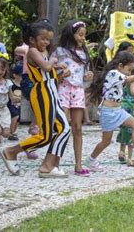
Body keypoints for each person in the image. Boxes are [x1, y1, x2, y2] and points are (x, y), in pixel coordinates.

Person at [0, 20, 71, 178]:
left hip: (52, 94)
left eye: (49, 39)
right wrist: (54, 62)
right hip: (42, 94)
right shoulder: (32, 51)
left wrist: (61, 73)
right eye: (43, 39)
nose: (46, 42)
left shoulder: (43, 53)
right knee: (44, 136)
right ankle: (11, 152)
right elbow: (46, 68)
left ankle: (48, 166)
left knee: (65, 129)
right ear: (32, 39)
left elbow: (50, 76)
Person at [85, 51, 134, 172]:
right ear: (120, 66)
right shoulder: (114, 73)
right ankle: (91, 159)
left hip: (118, 110)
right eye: (129, 69)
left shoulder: (117, 74)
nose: (130, 72)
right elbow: (128, 79)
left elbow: (127, 79)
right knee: (106, 141)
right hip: (108, 112)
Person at [52, 20, 94, 177]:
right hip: (63, 88)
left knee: (78, 127)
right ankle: (54, 163)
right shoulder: (59, 51)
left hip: (78, 90)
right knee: (62, 126)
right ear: (71, 34)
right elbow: (50, 71)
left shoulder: (84, 54)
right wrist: (60, 74)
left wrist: (88, 76)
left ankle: (78, 165)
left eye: (84, 35)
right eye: (80, 34)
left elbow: (84, 75)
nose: (83, 38)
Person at [7, 64, 23, 140]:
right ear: (15, 75)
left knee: (18, 119)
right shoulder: (11, 84)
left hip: (19, 105)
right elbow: (11, 96)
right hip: (11, 104)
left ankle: (14, 131)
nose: (22, 77)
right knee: (15, 116)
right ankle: (11, 132)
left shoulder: (23, 85)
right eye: (20, 75)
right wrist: (18, 98)